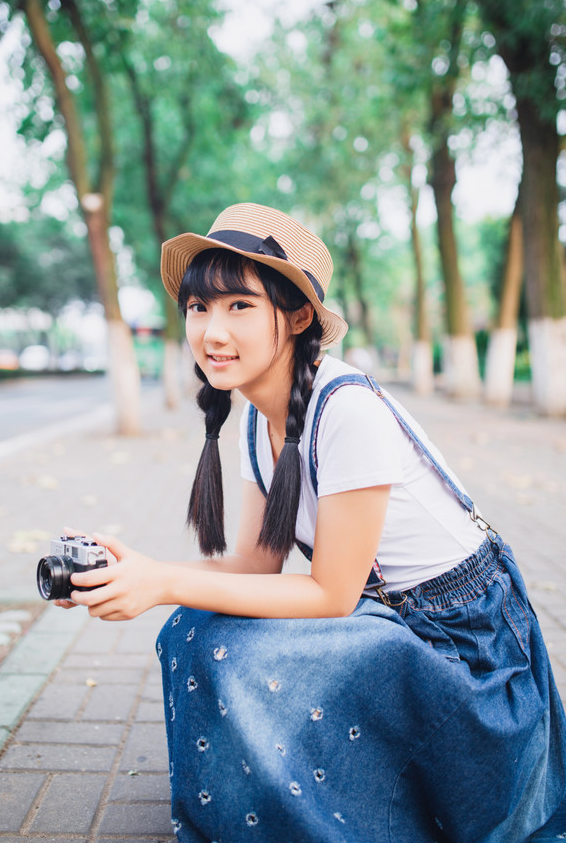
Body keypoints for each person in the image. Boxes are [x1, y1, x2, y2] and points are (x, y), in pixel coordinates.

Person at [65, 202, 566, 843]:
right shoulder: (256, 419)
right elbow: (254, 565)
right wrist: (141, 572)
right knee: (192, 626)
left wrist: (163, 582)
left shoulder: (346, 407)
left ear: (298, 316)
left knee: (233, 647)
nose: (212, 332)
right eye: (199, 308)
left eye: (239, 306)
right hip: (386, 624)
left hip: (466, 650)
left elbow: (329, 594)